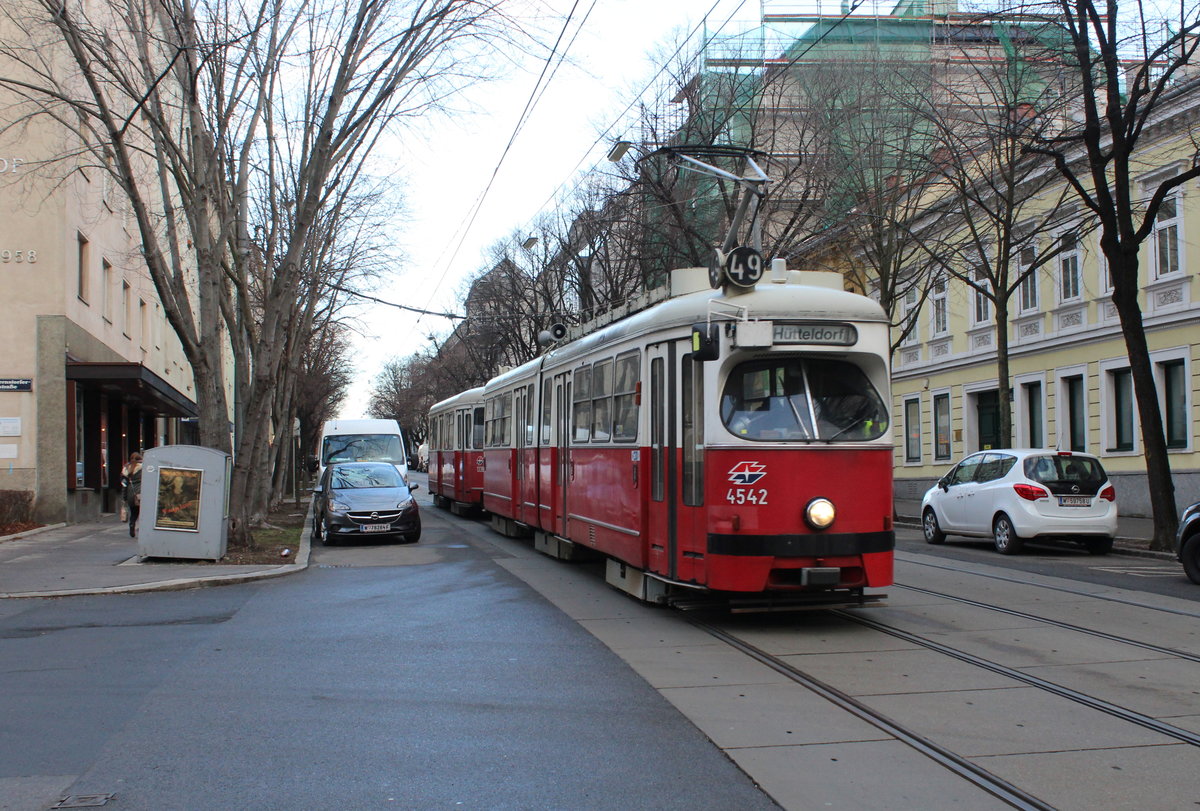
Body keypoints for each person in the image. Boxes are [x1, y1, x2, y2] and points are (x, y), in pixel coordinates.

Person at [123, 451, 143, 537]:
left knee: (133, 512)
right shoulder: (143, 468)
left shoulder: (126, 469)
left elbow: (124, 484)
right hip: (141, 493)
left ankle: (132, 524)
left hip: (130, 493)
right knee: (142, 512)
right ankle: (142, 528)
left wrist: (124, 497)